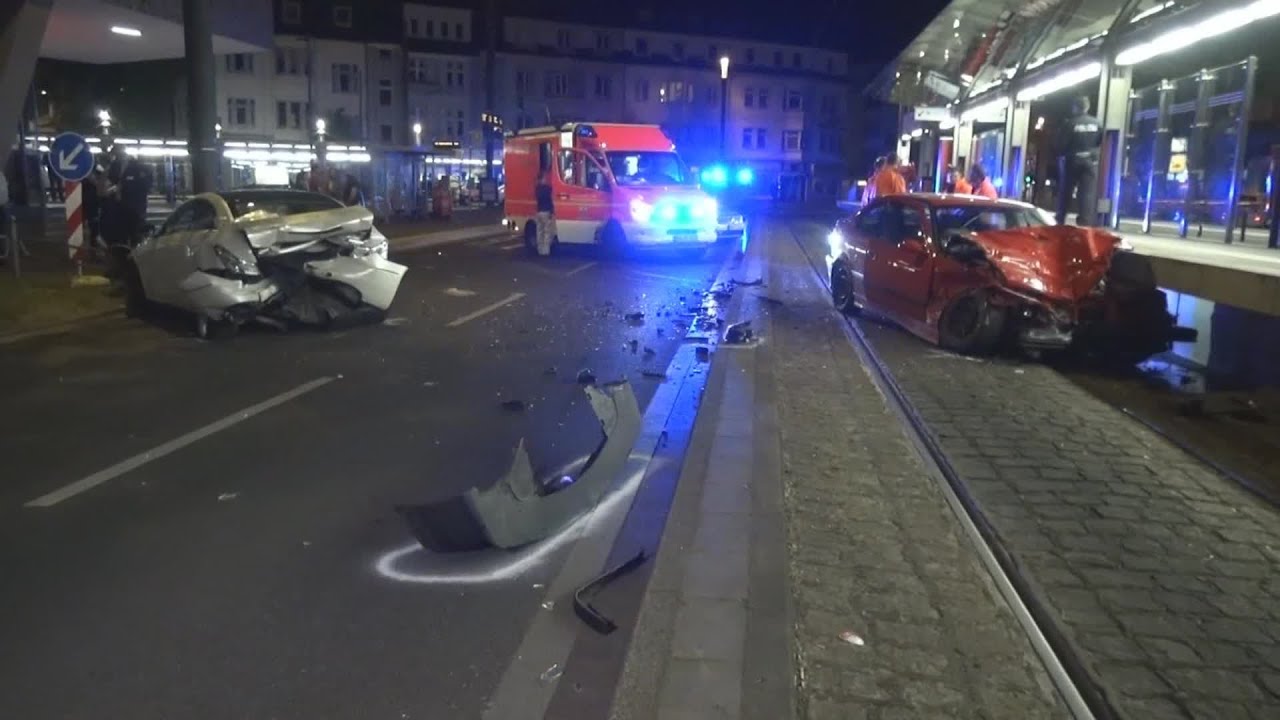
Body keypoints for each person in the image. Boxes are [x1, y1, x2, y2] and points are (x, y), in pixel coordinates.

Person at [1055, 94, 1102, 225]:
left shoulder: (1070, 124)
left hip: (1072, 160)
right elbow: (1100, 141)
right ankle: (1085, 222)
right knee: (1087, 193)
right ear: (1087, 107)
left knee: (1066, 191)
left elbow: (1061, 144)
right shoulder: (1097, 123)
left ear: (1075, 108)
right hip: (1090, 162)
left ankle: (1060, 218)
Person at [534, 168, 555, 256]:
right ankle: (546, 251)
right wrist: (552, 211)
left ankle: (540, 250)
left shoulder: (537, 189)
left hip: (539, 211)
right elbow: (550, 200)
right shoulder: (547, 189)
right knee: (547, 232)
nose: (546, 179)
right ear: (542, 179)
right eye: (544, 178)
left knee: (539, 231)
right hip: (546, 211)